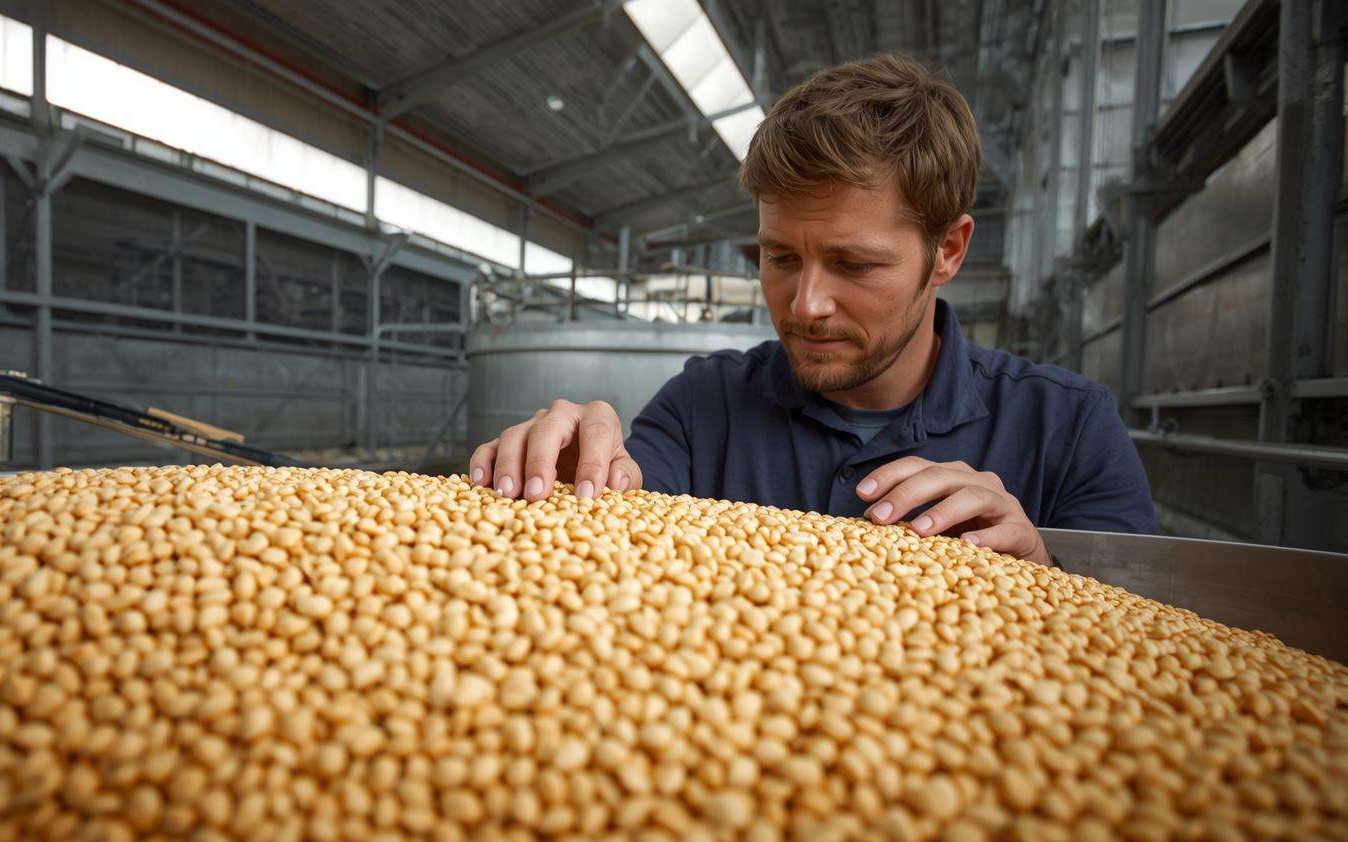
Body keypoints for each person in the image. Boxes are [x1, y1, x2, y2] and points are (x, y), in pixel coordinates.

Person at [468, 54, 1156, 566]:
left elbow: (1151, 652)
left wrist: (1041, 569)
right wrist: (567, 475)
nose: (807, 305)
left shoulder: (1066, 429)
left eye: (855, 264)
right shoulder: (702, 407)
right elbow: (619, 505)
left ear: (947, 250)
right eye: (781, 258)